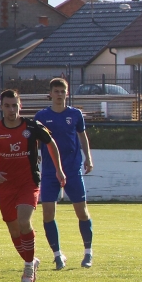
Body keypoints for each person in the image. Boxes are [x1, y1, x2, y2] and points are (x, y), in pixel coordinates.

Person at [0, 89, 65, 282]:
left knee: (24, 221)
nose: (11, 110)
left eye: (15, 105)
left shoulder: (31, 126)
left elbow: (51, 144)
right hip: (5, 185)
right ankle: (32, 260)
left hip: (28, 183)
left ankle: (28, 266)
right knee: (13, 229)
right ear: (1, 107)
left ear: (20, 106)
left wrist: (59, 170)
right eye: (7, 106)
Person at [34, 78, 94, 269]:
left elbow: (82, 136)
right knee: (48, 214)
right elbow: (35, 140)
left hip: (72, 169)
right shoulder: (42, 116)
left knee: (82, 212)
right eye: (56, 91)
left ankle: (88, 253)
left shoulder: (75, 114)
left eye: (62, 91)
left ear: (67, 93)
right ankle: (58, 255)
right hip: (50, 172)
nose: (59, 94)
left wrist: (88, 158)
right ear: (50, 93)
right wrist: (35, 155)